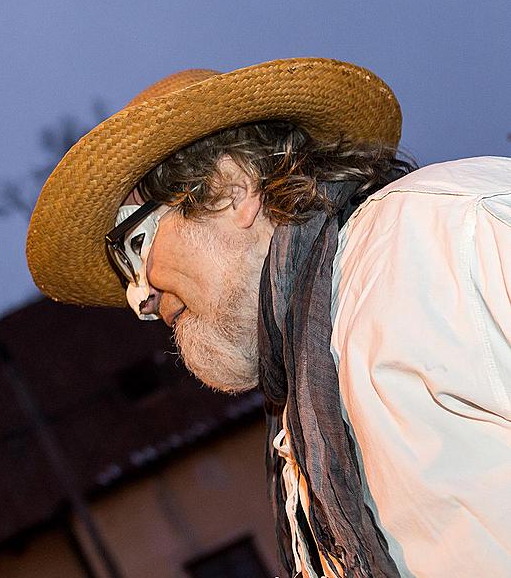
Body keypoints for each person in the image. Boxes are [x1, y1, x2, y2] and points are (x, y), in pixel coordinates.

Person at [26, 59, 511, 577]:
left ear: (231, 187)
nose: (139, 299)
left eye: (138, 246)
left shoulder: (449, 235)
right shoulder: (299, 423)